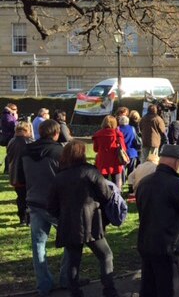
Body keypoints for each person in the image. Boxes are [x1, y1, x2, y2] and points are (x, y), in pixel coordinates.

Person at [48, 140, 119, 297]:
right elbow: (106, 194)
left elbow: (51, 205)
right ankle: (109, 289)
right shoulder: (91, 172)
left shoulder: (59, 177)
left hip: (69, 223)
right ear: (82, 154)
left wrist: (63, 215)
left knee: (73, 260)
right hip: (91, 221)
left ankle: (75, 292)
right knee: (106, 255)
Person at [136, 144, 179, 297]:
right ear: (176, 162)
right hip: (170, 246)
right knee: (170, 289)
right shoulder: (177, 185)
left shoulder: (144, 183)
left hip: (146, 243)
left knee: (149, 288)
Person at [16, 119, 70, 296]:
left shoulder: (25, 150)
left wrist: (23, 202)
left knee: (38, 245)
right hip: (55, 204)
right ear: (56, 133)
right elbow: (67, 179)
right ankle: (66, 278)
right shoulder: (59, 152)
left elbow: (19, 180)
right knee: (71, 241)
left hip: (34, 201)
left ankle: (44, 284)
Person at [7, 121, 33, 225]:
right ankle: (27, 219)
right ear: (27, 130)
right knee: (28, 198)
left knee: (20, 197)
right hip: (27, 174)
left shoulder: (12, 141)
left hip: (14, 174)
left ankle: (22, 217)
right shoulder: (29, 142)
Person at [93, 115, 127, 190]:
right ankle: (117, 195)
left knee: (102, 181)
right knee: (117, 180)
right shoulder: (117, 134)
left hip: (102, 160)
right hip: (115, 160)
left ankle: (103, 194)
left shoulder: (98, 134)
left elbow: (95, 149)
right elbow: (123, 148)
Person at [118, 115, 140, 190]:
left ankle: (122, 184)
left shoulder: (118, 129)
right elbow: (135, 139)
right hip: (132, 151)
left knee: (122, 169)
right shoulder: (132, 128)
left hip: (121, 153)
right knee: (131, 170)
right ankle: (131, 187)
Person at [1, 103, 18, 172]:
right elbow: (13, 126)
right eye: (15, 109)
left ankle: (8, 169)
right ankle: (7, 169)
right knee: (10, 153)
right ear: (11, 109)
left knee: (10, 153)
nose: (16, 111)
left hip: (8, 136)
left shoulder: (8, 115)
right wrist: (16, 119)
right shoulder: (8, 116)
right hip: (9, 137)